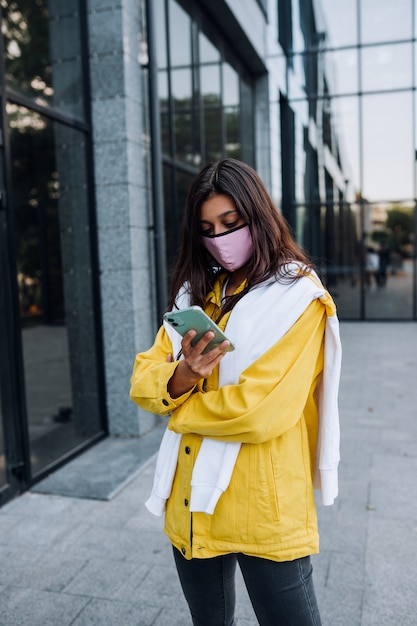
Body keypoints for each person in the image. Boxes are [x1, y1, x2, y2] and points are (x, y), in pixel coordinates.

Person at [130, 158, 341, 626]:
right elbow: (143, 381)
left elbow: (260, 410)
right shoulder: (195, 294)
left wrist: (178, 408)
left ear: (259, 216)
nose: (220, 238)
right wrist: (183, 376)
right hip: (191, 501)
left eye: (231, 223)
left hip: (263, 504)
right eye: (207, 228)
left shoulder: (298, 298)